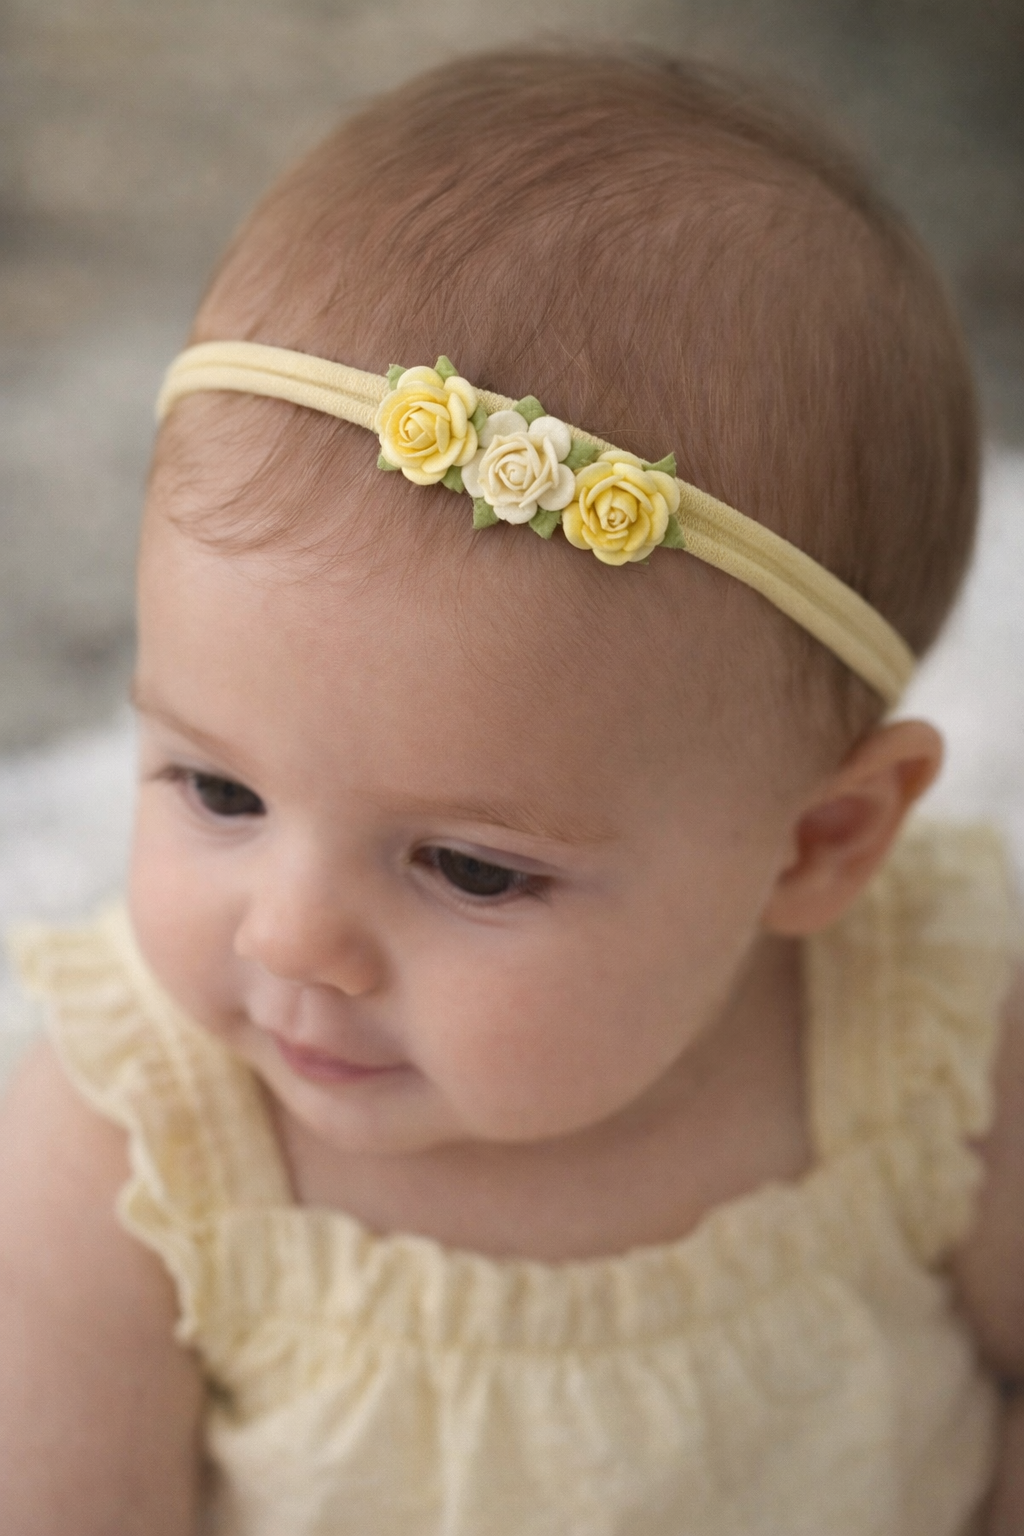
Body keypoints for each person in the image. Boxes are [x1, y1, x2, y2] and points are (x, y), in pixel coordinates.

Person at [0, 46, 1021, 1536]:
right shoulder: (132, 1161)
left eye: (470, 869)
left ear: (821, 840)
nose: (290, 940)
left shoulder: (931, 1053)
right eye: (217, 789)